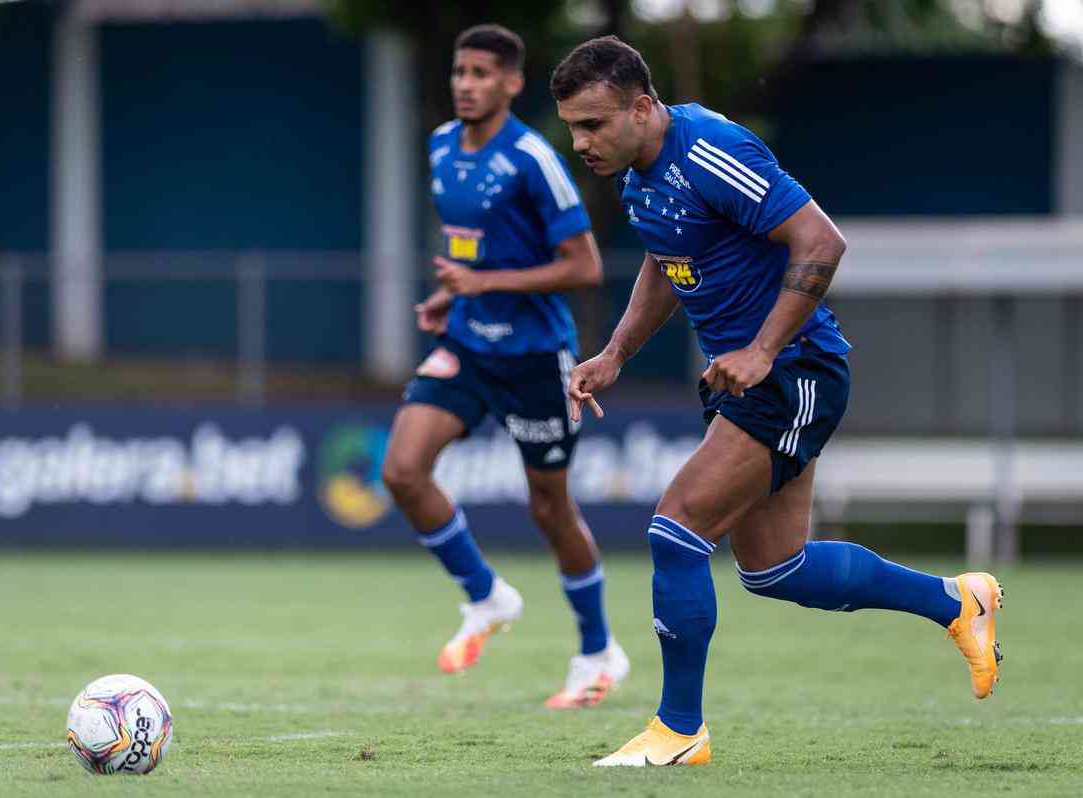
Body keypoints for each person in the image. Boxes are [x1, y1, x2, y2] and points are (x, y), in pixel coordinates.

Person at [549, 35, 1002, 764]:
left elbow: (821, 242)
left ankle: (677, 730)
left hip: (793, 370)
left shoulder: (708, 151)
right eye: (572, 126)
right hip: (751, 379)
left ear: (642, 106)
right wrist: (614, 355)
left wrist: (761, 349)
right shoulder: (639, 177)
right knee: (775, 569)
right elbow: (669, 267)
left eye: (593, 124)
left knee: (676, 529)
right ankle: (958, 601)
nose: (580, 141)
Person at [381, 24, 628, 709]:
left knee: (550, 507)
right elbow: (477, 250)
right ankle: (487, 596)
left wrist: (482, 285)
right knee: (401, 469)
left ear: (512, 83)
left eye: (482, 72)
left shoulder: (532, 158)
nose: (466, 83)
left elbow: (585, 265)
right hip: (466, 344)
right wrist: (449, 294)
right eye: (461, 70)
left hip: (531, 359)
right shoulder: (439, 147)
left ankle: (599, 653)